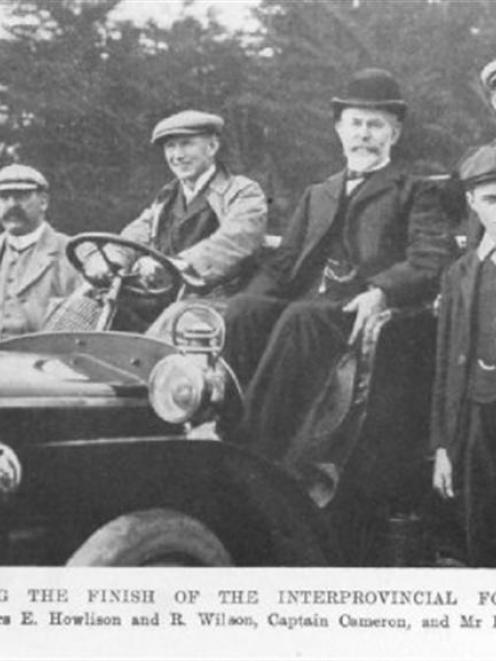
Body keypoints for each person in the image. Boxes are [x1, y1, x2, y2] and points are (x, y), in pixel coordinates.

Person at [221, 68, 455, 485]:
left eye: (375, 124)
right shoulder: (319, 192)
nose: (364, 134)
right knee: (242, 311)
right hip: (311, 303)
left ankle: (253, 450)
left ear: (394, 134)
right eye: (356, 123)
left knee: (300, 318)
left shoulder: (415, 190)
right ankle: (221, 428)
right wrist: (249, 299)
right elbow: (282, 264)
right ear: (339, 129)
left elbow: (430, 258)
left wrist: (382, 291)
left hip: (359, 309)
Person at [64, 109, 267, 333]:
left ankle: (148, 367)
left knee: (174, 320)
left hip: (220, 301)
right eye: (170, 146)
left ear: (212, 147)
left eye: (186, 144)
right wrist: (111, 258)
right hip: (165, 297)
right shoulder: (167, 196)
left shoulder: (242, 192)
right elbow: (136, 234)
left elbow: (235, 241)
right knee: (88, 301)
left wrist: (175, 265)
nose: (177, 155)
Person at [432, 143, 496, 566]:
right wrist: (442, 447)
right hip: (476, 419)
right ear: (472, 202)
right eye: (492, 198)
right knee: (481, 529)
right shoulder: (459, 274)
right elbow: (444, 368)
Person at [0, 164, 80, 339]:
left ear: (43, 202)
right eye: (4, 197)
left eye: (21, 196)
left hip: (46, 360)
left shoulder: (72, 254)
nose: (12, 205)